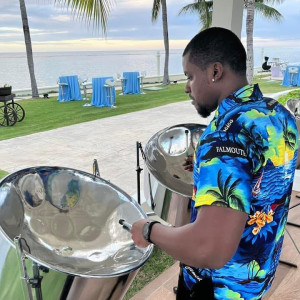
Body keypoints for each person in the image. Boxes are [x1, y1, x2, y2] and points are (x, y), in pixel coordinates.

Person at [131, 27, 298, 300]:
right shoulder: (276, 112)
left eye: (190, 76)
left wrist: (149, 230)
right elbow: (281, 162)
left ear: (215, 72)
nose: (186, 86)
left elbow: (209, 249)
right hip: (257, 278)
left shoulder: (223, 136)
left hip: (217, 290)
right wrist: (207, 166)